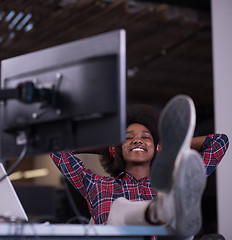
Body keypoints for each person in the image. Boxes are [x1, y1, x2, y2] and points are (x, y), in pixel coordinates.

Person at [50, 95, 229, 237]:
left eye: (146, 137)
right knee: (119, 210)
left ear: (157, 147)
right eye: (128, 138)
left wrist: (171, 146)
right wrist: (106, 146)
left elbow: (219, 142)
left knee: (177, 195)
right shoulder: (97, 186)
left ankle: (170, 213)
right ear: (116, 149)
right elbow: (55, 147)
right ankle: (164, 210)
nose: (137, 140)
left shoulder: (178, 183)